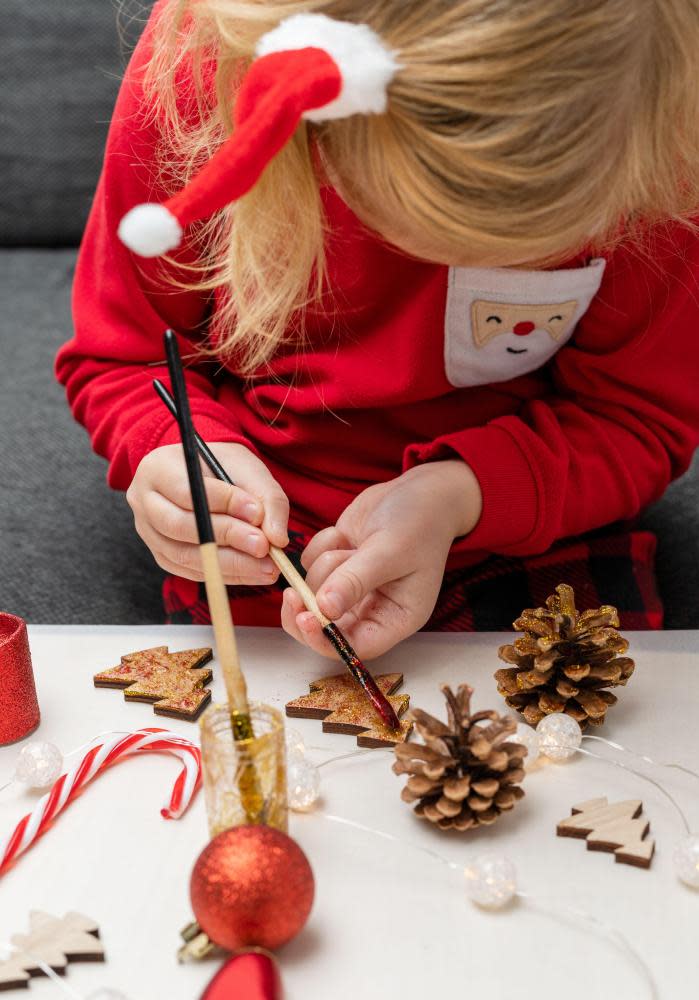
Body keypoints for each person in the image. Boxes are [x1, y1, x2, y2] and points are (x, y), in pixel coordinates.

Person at [57, 0, 699, 657]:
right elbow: (125, 361)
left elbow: (636, 416)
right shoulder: (202, 70)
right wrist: (167, 450)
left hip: (538, 498)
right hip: (257, 523)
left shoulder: (659, 133)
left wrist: (455, 498)